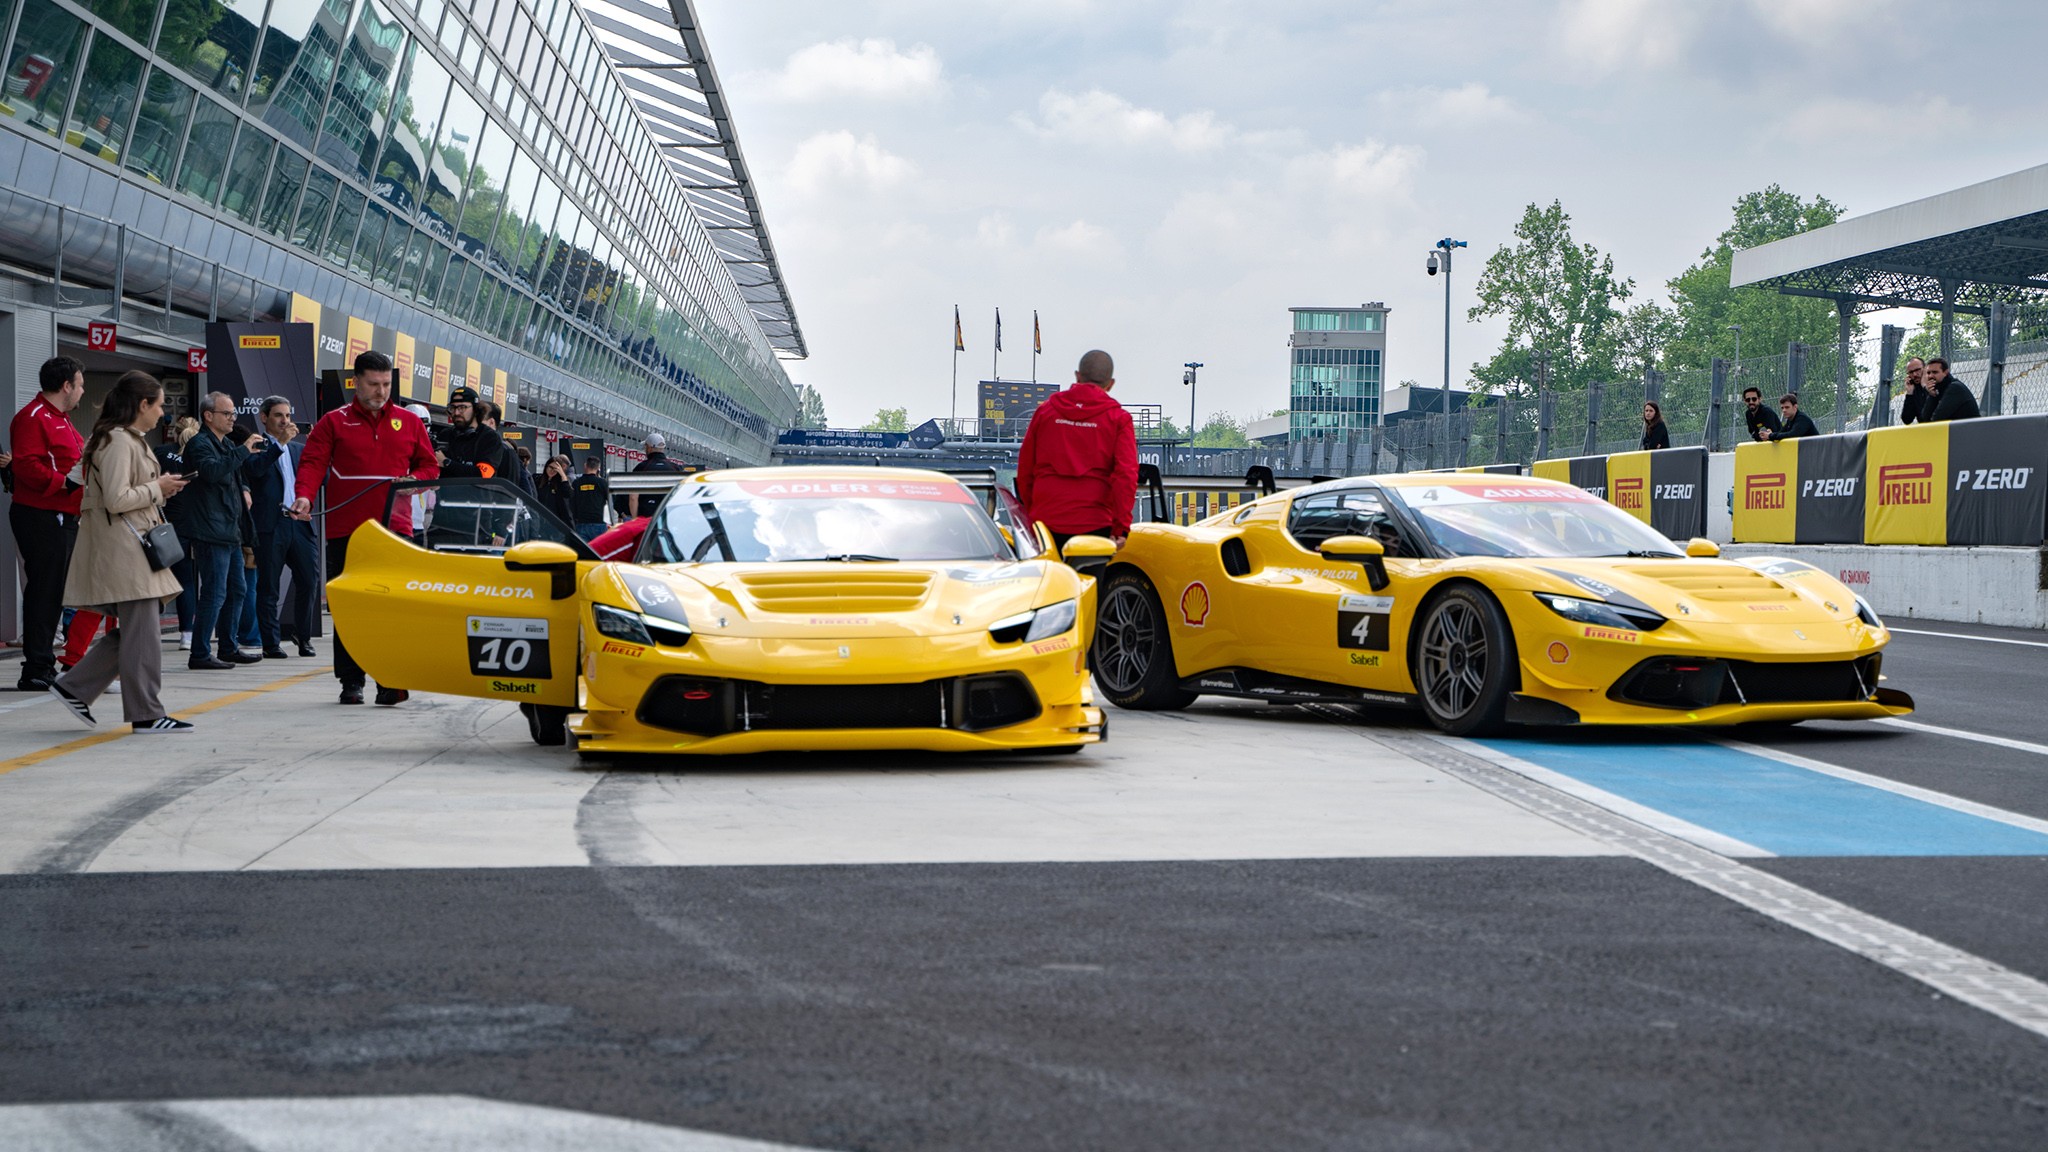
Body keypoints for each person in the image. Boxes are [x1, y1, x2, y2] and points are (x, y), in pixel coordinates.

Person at [46, 371, 194, 733]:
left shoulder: (124, 439)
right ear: (142, 404)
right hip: (124, 547)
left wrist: (158, 489)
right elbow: (115, 499)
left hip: (129, 545)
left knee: (136, 630)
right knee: (142, 631)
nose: (163, 413)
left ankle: (75, 687)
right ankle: (145, 713)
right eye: (159, 405)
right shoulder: (118, 441)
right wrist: (158, 488)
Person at [291, 349, 440, 706]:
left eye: (387, 384)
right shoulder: (334, 422)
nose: (381, 391)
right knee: (349, 607)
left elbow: (430, 468)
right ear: (355, 382)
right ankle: (351, 680)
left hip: (396, 530)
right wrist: (304, 497)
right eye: (373, 384)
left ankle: (391, 679)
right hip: (346, 530)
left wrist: (414, 480)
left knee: (393, 609)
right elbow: (312, 463)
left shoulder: (410, 422)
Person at [8, 356, 87, 691]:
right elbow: (23, 465)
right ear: (66, 385)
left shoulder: (63, 419)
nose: (83, 391)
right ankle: (36, 667)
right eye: (81, 384)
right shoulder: (33, 417)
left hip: (63, 514)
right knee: (45, 590)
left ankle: (43, 664)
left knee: (54, 591)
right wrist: (64, 484)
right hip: (41, 513)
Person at [1016, 348, 1138, 554]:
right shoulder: (1119, 419)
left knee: (1049, 584)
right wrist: (1120, 528)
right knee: (1088, 585)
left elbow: (1025, 468)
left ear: (1077, 376)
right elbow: (1125, 476)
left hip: (1045, 522)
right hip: (1095, 525)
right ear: (1110, 384)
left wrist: (1032, 513)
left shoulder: (1045, 411)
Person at [181, 392, 259, 670]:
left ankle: (228, 647)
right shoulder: (199, 443)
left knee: (237, 589)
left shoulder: (225, 443)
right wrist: (242, 450)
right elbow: (212, 473)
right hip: (210, 530)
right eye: (227, 414)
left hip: (230, 529)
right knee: (214, 592)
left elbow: (240, 476)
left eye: (233, 413)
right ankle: (200, 653)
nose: (232, 418)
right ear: (208, 416)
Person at [244, 396, 318, 658]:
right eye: (278, 415)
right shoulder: (257, 446)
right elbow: (255, 471)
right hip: (270, 526)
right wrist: (279, 445)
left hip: (299, 524)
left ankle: (303, 636)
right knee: (268, 587)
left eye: (287, 415)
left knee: (309, 581)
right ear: (264, 417)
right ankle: (271, 643)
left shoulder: (299, 449)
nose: (285, 421)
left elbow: (317, 478)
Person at [154, 416, 199, 649]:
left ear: (174, 431)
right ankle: (187, 635)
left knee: (154, 578)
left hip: (160, 524)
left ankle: (150, 628)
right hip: (189, 525)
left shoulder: (160, 452)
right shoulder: (198, 456)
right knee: (186, 581)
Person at [621, 432, 689, 518]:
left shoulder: (642, 468)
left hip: (646, 516)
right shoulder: (676, 468)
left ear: (649, 448)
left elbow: (633, 497)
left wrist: (635, 519)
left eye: (645, 446)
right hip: (668, 515)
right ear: (663, 448)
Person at [1914, 357, 1979, 422]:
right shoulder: (1939, 389)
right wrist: (1932, 395)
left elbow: (1937, 419)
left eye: (1935, 372)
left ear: (1946, 372)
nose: (1931, 376)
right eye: (1928, 373)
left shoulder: (1955, 388)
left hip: (1969, 430)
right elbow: (1925, 420)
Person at [568, 455, 610, 541]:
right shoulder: (602, 482)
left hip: (581, 523)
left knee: (583, 552)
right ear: (598, 468)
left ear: (585, 466)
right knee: (598, 552)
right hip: (599, 523)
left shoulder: (577, 483)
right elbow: (611, 500)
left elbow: (571, 502)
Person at [537, 454, 575, 525]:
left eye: (556, 469)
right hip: (540, 519)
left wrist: (562, 475)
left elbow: (568, 494)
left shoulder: (560, 483)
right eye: (550, 467)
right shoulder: (538, 480)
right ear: (546, 466)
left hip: (556, 520)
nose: (552, 471)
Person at [1896, 357, 1929, 424]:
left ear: (1925, 369)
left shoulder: (1936, 383)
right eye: (1911, 372)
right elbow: (1907, 419)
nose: (1914, 374)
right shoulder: (1915, 389)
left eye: (1917, 370)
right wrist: (1909, 394)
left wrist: (1925, 387)